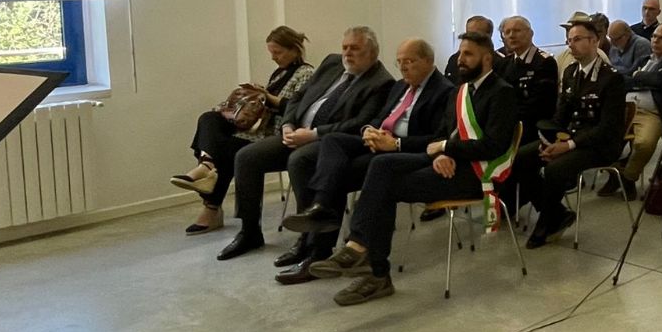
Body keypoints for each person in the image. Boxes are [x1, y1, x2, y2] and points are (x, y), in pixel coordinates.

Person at [317, 31, 519, 305]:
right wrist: (442, 153)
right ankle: (360, 250)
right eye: (460, 53)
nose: (460, 59)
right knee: (381, 164)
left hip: (476, 175)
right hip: (449, 162)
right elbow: (443, 134)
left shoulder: (502, 93)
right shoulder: (461, 91)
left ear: (487, 59)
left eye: (468, 54)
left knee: (385, 187)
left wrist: (446, 149)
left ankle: (373, 268)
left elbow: (493, 146)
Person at [279, 37, 456, 279]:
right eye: (399, 62)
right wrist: (369, 131)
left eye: (410, 61)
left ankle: (322, 250)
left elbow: (437, 139)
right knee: (333, 142)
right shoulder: (400, 86)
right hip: (380, 144)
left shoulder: (445, 91)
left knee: (340, 173)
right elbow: (377, 118)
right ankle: (321, 208)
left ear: (428, 61)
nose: (403, 67)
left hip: (403, 152)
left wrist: (395, 144)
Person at [216, 27, 394, 261]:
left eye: (355, 48)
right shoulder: (332, 63)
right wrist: (288, 124)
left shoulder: (381, 82)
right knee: (246, 157)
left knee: (299, 160)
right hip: (296, 131)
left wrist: (313, 134)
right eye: (345, 47)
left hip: (327, 142)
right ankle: (249, 232)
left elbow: (359, 124)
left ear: (372, 52)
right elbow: (298, 96)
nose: (347, 53)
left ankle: (307, 240)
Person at [171, 26, 315, 237]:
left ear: (294, 49)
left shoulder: (306, 74)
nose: (274, 58)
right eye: (271, 53)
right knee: (209, 119)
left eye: (278, 52)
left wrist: (267, 96)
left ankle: (210, 201)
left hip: (276, 134)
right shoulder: (280, 73)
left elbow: (299, 109)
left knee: (226, 151)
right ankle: (207, 165)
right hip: (257, 129)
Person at [513, 16, 628, 248]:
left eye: (577, 39)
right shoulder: (570, 73)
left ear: (595, 41)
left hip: (599, 145)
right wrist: (550, 142)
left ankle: (547, 222)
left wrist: (568, 146)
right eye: (569, 40)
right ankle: (556, 213)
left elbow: (607, 127)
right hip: (570, 139)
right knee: (521, 159)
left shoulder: (611, 78)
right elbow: (561, 117)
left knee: (555, 169)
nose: (571, 45)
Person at [603, 22, 662, 202]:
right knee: (602, 134)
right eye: (654, 36)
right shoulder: (644, 60)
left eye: (661, 38)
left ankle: (627, 177)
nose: (655, 40)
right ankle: (617, 170)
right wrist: (640, 79)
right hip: (625, 108)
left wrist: (637, 77)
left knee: (644, 144)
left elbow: (661, 80)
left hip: (651, 113)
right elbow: (623, 80)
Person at [496, 15, 560, 133]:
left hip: (532, 128)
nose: (511, 35)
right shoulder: (503, 64)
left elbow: (540, 106)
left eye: (517, 31)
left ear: (530, 34)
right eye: (507, 32)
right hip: (506, 126)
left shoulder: (544, 62)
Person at [444, 16, 495, 84]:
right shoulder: (454, 59)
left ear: (489, 36)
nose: (470, 38)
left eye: (475, 35)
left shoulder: (499, 63)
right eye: (468, 33)